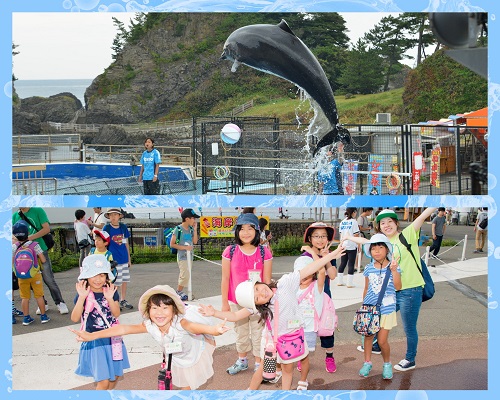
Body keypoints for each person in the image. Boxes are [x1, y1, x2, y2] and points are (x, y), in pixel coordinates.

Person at [199, 245, 345, 390]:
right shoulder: (260, 307)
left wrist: (330, 256)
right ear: (256, 304)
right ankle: (250, 392)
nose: (261, 294)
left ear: (259, 282)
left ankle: (285, 394)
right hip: (271, 343)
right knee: (263, 369)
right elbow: (235, 315)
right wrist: (215, 313)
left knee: (288, 369)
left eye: (257, 288)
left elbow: (310, 269)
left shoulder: (286, 283)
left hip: (292, 338)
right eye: (257, 298)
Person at [70, 285, 230, 390]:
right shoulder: (150, 325)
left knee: (187, 389)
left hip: (193, 355)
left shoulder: (181, 323)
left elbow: (197, 328)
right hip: (175, 357)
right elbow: (123, 328)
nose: (159, 313)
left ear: (174, 311)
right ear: (148, 310)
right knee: (182, 388)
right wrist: (92, 335)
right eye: (154, 308)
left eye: (165, 308)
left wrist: (215, 329)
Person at [374, 207, 437, 371]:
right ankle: (377, 343)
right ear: (379, 227)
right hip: (395, 289)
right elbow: (366, 243)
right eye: (382, 223)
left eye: (389, 222)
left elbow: (423, 216)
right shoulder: (385, 244)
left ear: (396, 223)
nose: (386, 225)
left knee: (409, 327)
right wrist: (347, 238)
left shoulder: (406, 234)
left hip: (411, 290)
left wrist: (436, 204)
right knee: (381, 314)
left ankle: (410, 359)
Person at [221, 213, 272, 375]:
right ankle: (242, 360)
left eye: (250, 228)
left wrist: (267, 303)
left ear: (257, 231)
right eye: (242, 229)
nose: (246, 232)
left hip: (258, 302)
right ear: (237, 232)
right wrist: (224, 304)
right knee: (240, 332)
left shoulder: (264, 252)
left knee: (258, 333)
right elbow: (225, 278)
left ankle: (258, 363)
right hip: (238, 302)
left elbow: (267, 281)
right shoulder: (230, 251)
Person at [69, 254, 130, 390]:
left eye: (102, 275)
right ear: (86, 276)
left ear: (107, 276)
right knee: (103, 381)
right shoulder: (83, 293)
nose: (98, 279)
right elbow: (74, 318)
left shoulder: (111, 291)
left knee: (115, 376)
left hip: (112, 338)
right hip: (94, 340)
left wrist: (109, 298)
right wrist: (81, 298)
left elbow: (116, 314)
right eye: (93, 275)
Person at [357, 233, 402, 379]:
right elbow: (366, 288)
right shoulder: (369, 268)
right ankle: (367, 362)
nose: (377, 251)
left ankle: (387, 364)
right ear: (370, 251)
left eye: (380, 247)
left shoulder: (393, 266)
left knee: (382, 341)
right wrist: (364, 306)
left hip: (387, 309)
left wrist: (394, 271)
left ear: (387, 250)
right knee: (368, 338)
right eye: (373, 248)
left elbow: (398, 286)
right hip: (369, 308)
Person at [12, 207, 69, 315]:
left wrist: (29, 238)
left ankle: (60, 302)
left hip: (40, 249)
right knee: (30, 278)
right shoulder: (15, 216)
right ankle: (43, 303)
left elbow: (46, 229)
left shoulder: (38, 211)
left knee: (48, 278)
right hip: (24, 255)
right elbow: (12, 234)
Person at [301, 222, 338, 373]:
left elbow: (333, 275)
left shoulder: (330, 255)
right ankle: (302, 357)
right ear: (310, 238)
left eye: (323, 236)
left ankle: (329, 356)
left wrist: (326, 257)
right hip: (307, 300)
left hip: (324, 299)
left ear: (328, 238)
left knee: (327, 328)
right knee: (305, 329)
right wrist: (313, 253)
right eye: (316, 236)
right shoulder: (304, 256)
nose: (320, 239)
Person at [294, 256, 326, 382]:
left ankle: (303, 380)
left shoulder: (316, 287)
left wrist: (313, 252)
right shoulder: (293, 288)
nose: (304, 276)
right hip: (294, 327)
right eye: (301, 273)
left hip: (309, 328)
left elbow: (322, 272)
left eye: (308, 272)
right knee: (295, 353)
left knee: (305, 356)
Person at [12, 220, 50, 326]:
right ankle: (43, 316)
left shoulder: (14, 246)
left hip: (21, 276)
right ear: (27, 233)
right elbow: (43, 260)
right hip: (35, 274)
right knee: (39, 295)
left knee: (25, 297)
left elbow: (12, 262)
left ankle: (26, 318)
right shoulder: (34, 245)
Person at [103, 208, 133, 310]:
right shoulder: (107, 228)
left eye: (115, 215)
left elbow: (126, 243)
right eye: (111, 215)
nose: (113, 217)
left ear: (119, 216)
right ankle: (114, 301)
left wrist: (129, 258)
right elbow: (104, 243)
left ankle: (123, 299)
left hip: (124, 258)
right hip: (113, 259)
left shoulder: (123, 227)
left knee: (124, 280)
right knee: (115, 281)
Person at [170, 208, 200, 301]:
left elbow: (195, 241)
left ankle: (180, 292)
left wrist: (195, 230)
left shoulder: (191, 229)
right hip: (182, 256)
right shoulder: (178, 229)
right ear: (187, 219)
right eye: (193, 218)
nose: (194, 220)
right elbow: (172, 244)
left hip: (190, 256)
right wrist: (185, 248)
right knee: (184, 275)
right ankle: (178, 292)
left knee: (187, 274)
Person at [337, 207, 360, 288]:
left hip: (343, 245)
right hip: (352, 245)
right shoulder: (354, 222)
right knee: (351, 264)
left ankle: (339, 281)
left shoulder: (342, 222)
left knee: (343, 263)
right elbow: (356, 235)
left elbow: (340, 234)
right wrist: (359, 245)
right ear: (354, 212)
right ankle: (349, 283)